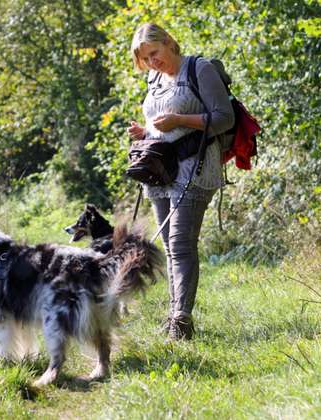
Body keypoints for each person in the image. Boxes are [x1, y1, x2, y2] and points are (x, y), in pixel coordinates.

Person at [128, 23, 234, 340]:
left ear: (169, 43)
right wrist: (144, 134)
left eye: (154, 53)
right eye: (145, 59)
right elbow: (160, 127)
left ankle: (181, 320)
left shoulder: (198, 69)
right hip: (159, 170)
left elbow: (224, 118)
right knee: (170, 247)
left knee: (181, 243)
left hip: (195, 168)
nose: (152, 62)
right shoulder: (155, 79)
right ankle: (176, 313)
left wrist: (180, 120)